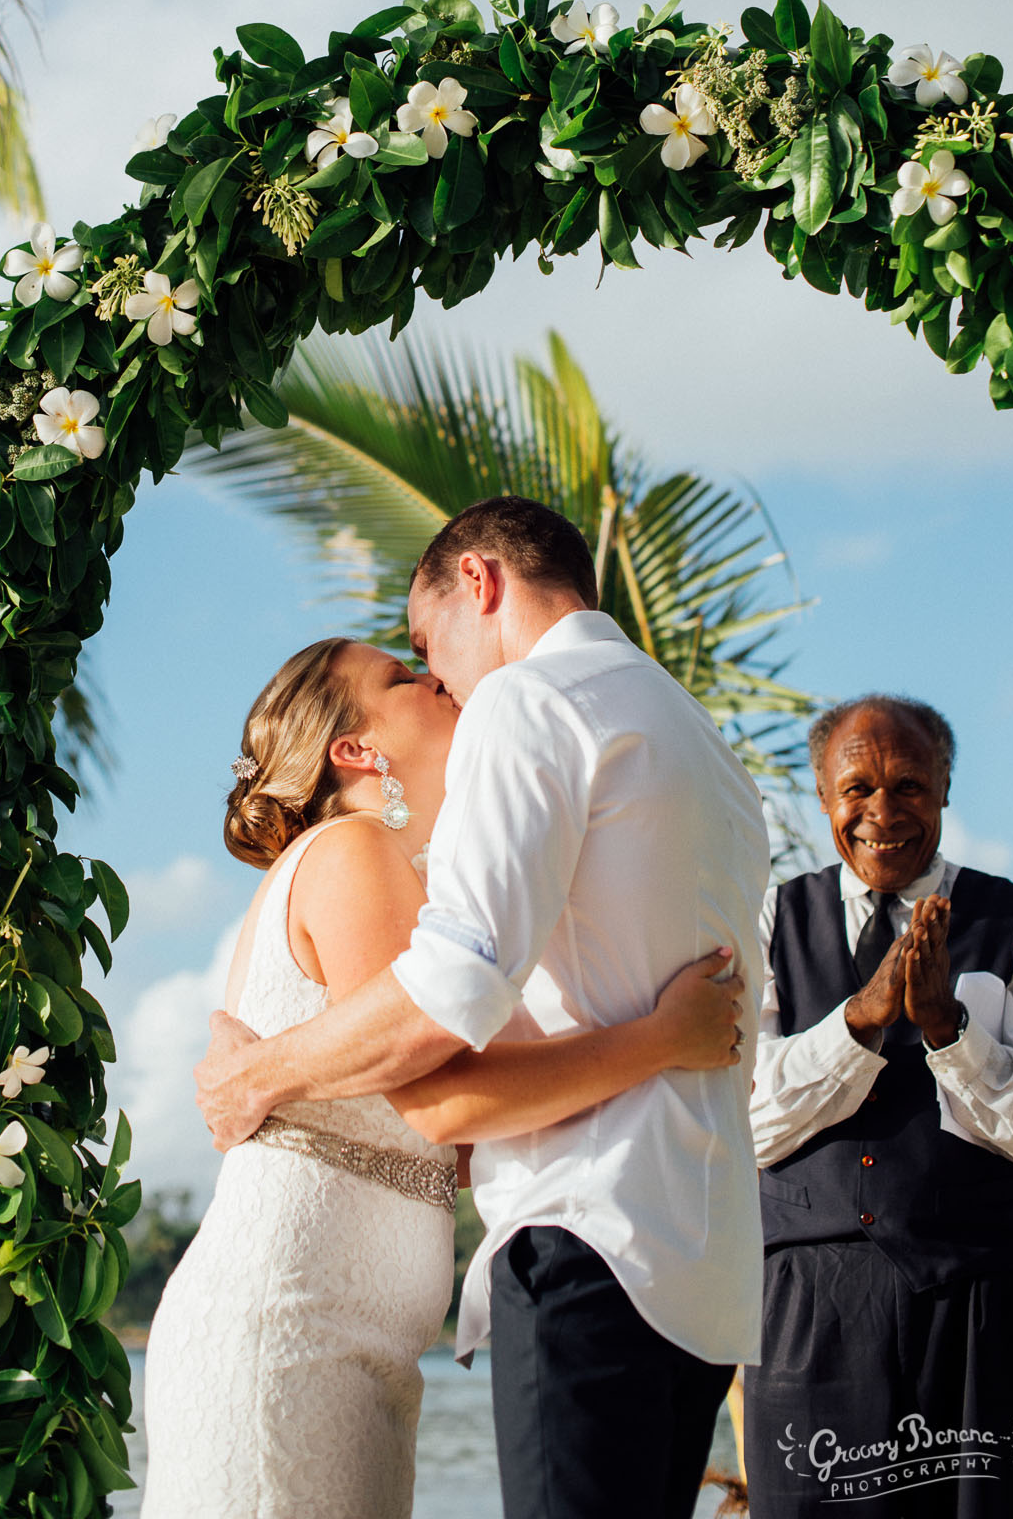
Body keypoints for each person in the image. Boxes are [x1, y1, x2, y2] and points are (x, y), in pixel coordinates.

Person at [195, 496, 771, 1519]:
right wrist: (661, 1039)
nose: (443, 679)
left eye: (425, 646)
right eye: (411, 670)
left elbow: (449, 999)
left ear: (479, 582)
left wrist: (261, 1072)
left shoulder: (526, 698)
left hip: (589, 1236)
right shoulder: (696, 737)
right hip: (699, 1261)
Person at [745, 695, 1013, 1517]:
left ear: (945, 788)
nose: (882, 813)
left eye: (909, 786)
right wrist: (858, 1021)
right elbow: (742, 1125)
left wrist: (949, 1031)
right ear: (821, 795)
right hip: (805, 1312)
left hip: (980, 1305)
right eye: (857, 789)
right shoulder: (771, 919)